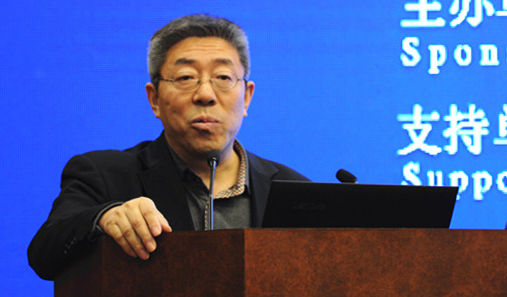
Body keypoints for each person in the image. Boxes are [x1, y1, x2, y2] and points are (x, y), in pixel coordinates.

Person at [28, 14, 308, 280]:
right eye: (186, 78)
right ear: (155, 99)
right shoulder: (104, 176)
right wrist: (103, 217)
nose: (205, 94)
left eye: (223, 77)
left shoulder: (294, 189)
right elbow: (45, 253)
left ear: (246, 97)